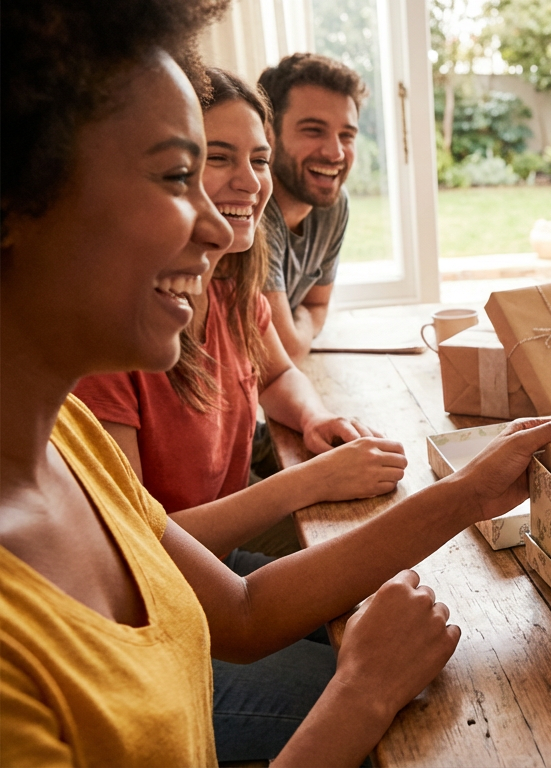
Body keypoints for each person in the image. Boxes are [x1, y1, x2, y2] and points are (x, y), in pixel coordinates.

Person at [0, 4, 551, 765]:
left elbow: (245, 611)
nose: (220, 227)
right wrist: (361, 693)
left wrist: (470, 493)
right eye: (175, 175)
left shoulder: (67, 441)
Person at [69, 68, 403, 760]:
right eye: (212, 159)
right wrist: (307, 480)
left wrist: (311, 421)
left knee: (376, 610)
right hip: (151, 626)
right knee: (392, 697)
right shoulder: (115, 334)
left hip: (212, 575)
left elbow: (279, 370)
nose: (249, 182)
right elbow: (139, 553)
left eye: (256, 160)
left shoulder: (228, 285)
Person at [257, 53, 362, 363]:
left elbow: (318, 307)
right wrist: (299, 333)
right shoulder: (251, 210)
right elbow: (283, 349)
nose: (335, 152)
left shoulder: (332, 204)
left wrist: (297, 329)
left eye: (347, 135)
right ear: (267, 133)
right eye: (313, 130)